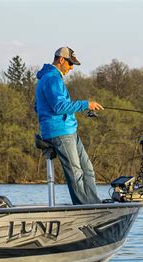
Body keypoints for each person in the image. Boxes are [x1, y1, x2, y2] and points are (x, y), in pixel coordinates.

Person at [34, 47, 103, 205]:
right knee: (76, 172)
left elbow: (37, 106)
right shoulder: (52, 78)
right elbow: (59, 107)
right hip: (60, 132)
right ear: (61, 60)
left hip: (69, 130)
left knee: (88, 169)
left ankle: (94, 204)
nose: (71, 68)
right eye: (70, 64)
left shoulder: (48, 78)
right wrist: (86, 104)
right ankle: (84, 207)